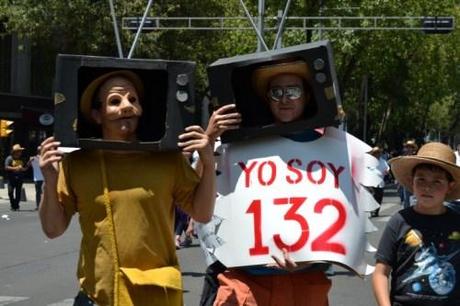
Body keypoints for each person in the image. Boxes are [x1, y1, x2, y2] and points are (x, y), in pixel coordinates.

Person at [39, 70, 216, 306]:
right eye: (115, 101)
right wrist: (50, 183)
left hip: (155, 298)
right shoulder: (77, 163)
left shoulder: (167, 160)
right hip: (97, 298)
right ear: (97, 115)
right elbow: (53, 229)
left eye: (133, 100)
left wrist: (208, 161)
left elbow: (202, 213)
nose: (127, 106)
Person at [205, 61, 331, 306]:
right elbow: (199, 193)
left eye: (293, 91)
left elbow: (344, 217)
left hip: (307, 282)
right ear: (267, 99)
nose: (285, 99)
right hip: (247, 281)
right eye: (277, 92)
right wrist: (209, 139)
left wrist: (314, 255)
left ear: (306, 96)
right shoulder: (237, 145)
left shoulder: (330, 147)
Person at [372, 142, 460, 306]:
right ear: (412, 182)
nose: (427, 187)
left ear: (450, 186)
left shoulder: (457, 223)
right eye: (421, 179)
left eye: (437, 182)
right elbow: (381, 273)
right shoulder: (399, 221)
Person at [365, 146, 390, 217]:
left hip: (380, 183)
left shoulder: (383, 161)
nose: (378, 154)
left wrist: (387, 171)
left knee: (379, 197)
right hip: (371, 182)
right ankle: (372, 210)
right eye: (376, 153)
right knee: (373, 196)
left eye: (379, 153)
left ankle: (376, 211)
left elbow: (387, 167)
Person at [4, 144, 29, 211]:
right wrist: (16, 168)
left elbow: (24, 169)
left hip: (20, 178)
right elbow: (6, 167)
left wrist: (28, 164)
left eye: (21, 151)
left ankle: (16, 206)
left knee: (18, 193)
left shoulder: (22, 159)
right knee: (10, 192)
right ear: (15, 152)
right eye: (19, 151)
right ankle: (13, 204)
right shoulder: (9, 158)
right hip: (11, 178)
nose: (20, 152)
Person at [29, 146, 44, 210]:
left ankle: (44, 205)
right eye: (39, 150)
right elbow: (27, 166)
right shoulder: (33, 158)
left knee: (44, 193)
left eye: (41, 150)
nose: (40, 151)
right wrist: (30, 161)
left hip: (44, 178)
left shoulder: (45, 158)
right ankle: (38, 205)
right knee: (38, 192)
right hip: (37, 178)